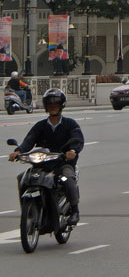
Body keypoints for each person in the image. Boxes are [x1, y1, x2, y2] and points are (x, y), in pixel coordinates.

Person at [8, 88, 84, 224]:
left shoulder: (70, 124)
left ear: (61, 105)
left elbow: (77, 139)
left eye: (56, 104)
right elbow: (29, 140)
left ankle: (75, 211)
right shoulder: (41, 125)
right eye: (49, 104)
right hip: (43, 164)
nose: (52, 107)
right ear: (46, 106)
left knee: (67, 178)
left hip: (62, 164)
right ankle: (28, 212)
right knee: (22, 178)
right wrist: (18, 152)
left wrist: (72, 151)